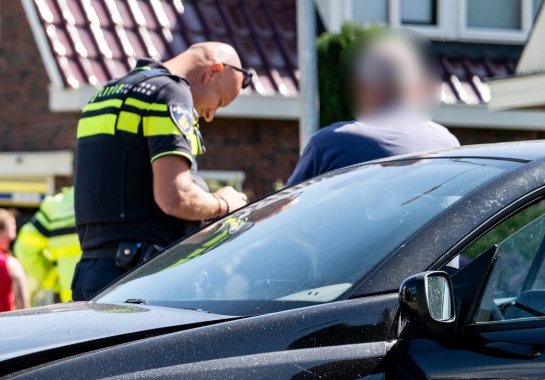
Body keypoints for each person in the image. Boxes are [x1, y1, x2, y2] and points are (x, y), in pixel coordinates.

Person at [71, 44, 251, 301]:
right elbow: (175, 197)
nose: (211, 116)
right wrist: (223, 203)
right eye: (219, 102)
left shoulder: (106, 93)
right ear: (213, 71)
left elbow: (127, 186)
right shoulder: (169, 92)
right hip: (141, 280)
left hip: (92, 275)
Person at [287, 33, 457, 185]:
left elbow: (285, 211)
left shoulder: (330, 143)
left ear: (363, 85)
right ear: (413, 86)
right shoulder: (447, 143)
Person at [12, 186, 80, 304]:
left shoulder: (57, 204)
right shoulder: (117, 193)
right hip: (115, 303)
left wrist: (54, 279)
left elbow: (24, 249)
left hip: (72, 304)